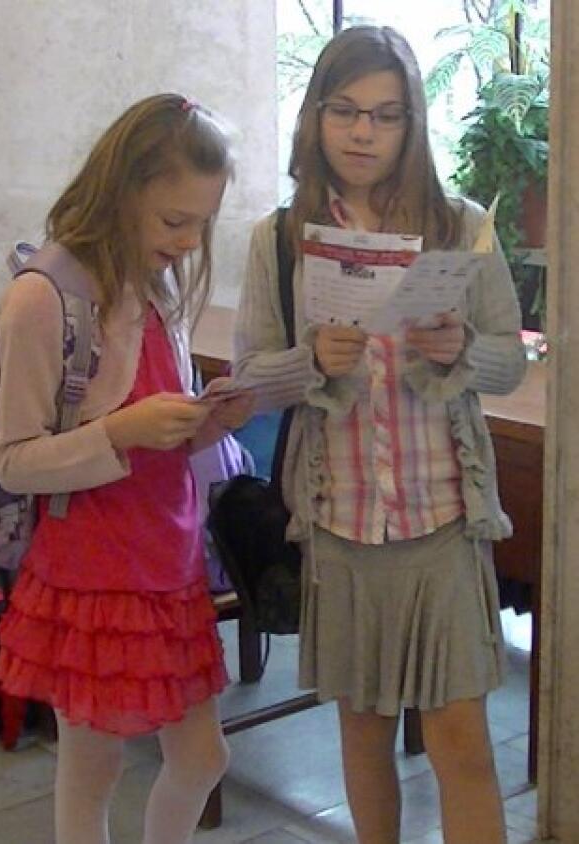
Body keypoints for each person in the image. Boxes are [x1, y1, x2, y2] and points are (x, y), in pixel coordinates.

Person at [233, 26, 527, 844]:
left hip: (442, 523)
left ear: (411, 124)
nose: (363, 133)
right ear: (316, 116)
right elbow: (251, 378)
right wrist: (309, 362)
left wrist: (463, 351)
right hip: (342, 526)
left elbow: (511, 362)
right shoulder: (279, 237)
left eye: (386, 115)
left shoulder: (461, 225)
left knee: (462, 744)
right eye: (346, 110)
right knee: (363, 737)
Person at [0, 94, 254, 844]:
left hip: (168, 564)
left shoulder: (157, 287)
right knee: (92, 772)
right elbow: (13, 460)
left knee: (202, 758)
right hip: (93, 575)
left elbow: (161, 440)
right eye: (174, 221)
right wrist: (121, 431)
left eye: (202, 223)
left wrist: (210, 422)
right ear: (123, 191)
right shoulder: (44, 296)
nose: (190, 242)